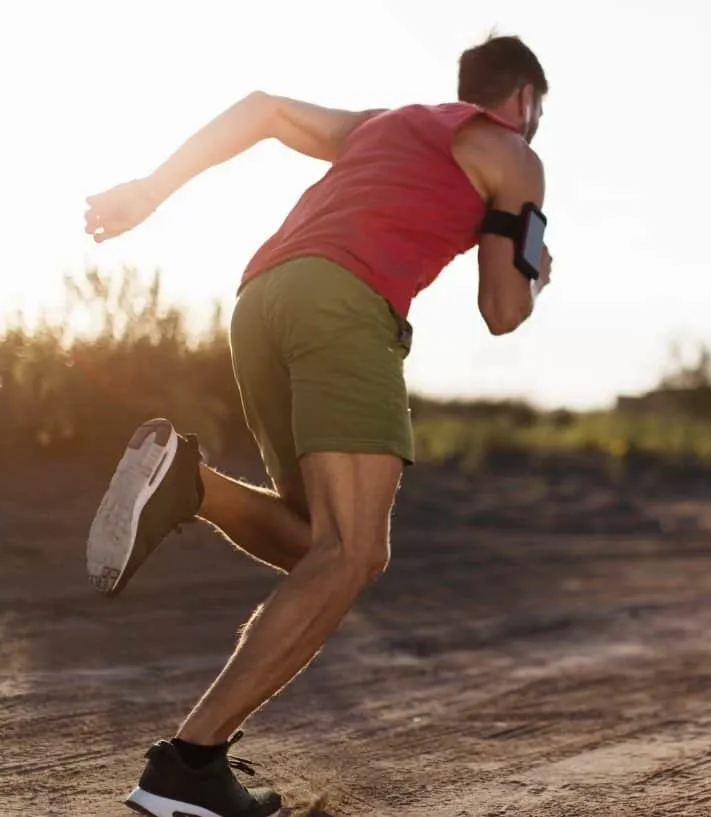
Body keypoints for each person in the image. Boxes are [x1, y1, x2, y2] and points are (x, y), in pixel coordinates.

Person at [81, 34, 552, 817]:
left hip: (263, 299)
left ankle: (190, 484)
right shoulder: (512, 152)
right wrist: (536, 262)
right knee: (355, 550)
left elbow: (264, 110)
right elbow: (503, 310)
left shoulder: (383, 123)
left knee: (317, 541)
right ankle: (188, 766)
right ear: (526, 102)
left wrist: (149, 192)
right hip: (344, 305)